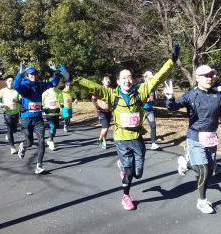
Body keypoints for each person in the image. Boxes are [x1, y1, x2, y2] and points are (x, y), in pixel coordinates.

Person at [77, 42, 179, 210]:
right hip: (121, 139)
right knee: (130, 172)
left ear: (134, 80)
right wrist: (73, 78)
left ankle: (124, 167)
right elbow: (93, 86)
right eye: (123, 78)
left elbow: (158, 77)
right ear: (118, 81)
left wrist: (172, 61)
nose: (127, 80)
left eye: (129, 77)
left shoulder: (141, 92)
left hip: (137, 138)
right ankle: (126, 196)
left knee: (138, 173)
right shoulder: (111, 94)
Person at [164, 64, 221, 214]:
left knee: (209, 171)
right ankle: (202, 201)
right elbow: (173, 107)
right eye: (206, 75)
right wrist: (170, 98)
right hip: (195, 137)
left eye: (211, 75)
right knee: (203, 169)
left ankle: (186, 163)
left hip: (211, 138)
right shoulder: (192, 95)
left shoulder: (218, 96)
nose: (210, 78)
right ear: (197, 78)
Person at [14, 63, 64, 174]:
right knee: (30, 142)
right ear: (27, 75)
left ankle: (39, 165)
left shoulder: (39, 85)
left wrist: (56, 73)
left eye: (35, 73)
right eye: (31, 74)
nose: (34, 76)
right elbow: (16, 86)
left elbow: (53, 83)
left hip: (38, 119)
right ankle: (23, 145)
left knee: (41, 141)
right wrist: (19, 74)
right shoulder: (24, 84)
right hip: (26, 118)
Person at [0, 77, 21, 154]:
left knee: (14, 129)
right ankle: (12, 147)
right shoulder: (3, 91)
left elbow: (20, 100)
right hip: (7, 112)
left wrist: (17, 101)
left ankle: (9, 134)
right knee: (10, 129)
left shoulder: (17, 91)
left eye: (12, 81)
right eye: (9, 81)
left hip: (16, 112)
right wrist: (1, 103)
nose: (11, 82)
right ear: (6, 82)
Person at [91, 76, 113, 149]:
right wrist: (97, 107)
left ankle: (102, 140)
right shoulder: (99, 89)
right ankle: (101, 140)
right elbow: (93, 99)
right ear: (102, 82)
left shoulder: (111, 90)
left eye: (108, 80)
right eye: (106, 80)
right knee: (105, 127)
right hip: (101, 111)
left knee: (105, 127)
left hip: (108, 111)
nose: (108, 81)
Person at [140, 71, 160, 150]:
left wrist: (153, 101)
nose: (150, 79)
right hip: (141, 110)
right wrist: (145, 100)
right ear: (145, 78)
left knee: (153, 126)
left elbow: (154, 100)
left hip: (150, 110)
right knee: (138, 126)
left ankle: (153, 143)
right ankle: (137, 142)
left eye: (151, 78)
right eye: (149, 78)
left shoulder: (152, 88)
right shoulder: (141, 86)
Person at [42, 85, 64, 151]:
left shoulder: (59, 92)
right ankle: (51, 141)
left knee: (54, 128)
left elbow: (61, 101)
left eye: (55, 84)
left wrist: (62, 105)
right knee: (52, 126)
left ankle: (50, 139)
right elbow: (42, 103)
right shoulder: (45, 93)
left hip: (56, 113)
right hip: (48, 113)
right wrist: (43, 109)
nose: (53, 86)